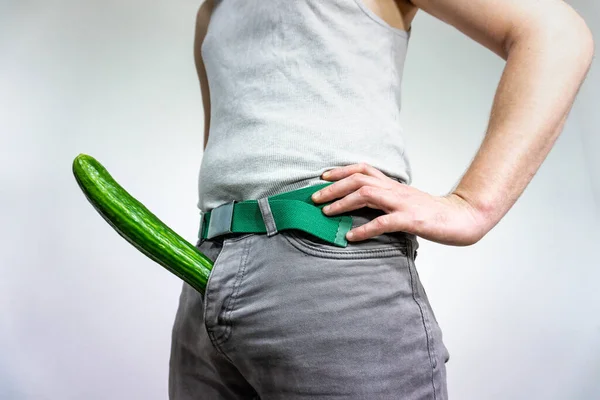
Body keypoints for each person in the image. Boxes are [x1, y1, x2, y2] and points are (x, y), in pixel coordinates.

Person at [168, 0, 594, 399]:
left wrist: (471, 205)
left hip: (329, 267)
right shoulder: (213, 10)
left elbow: (556, 34)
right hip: (207, 269)